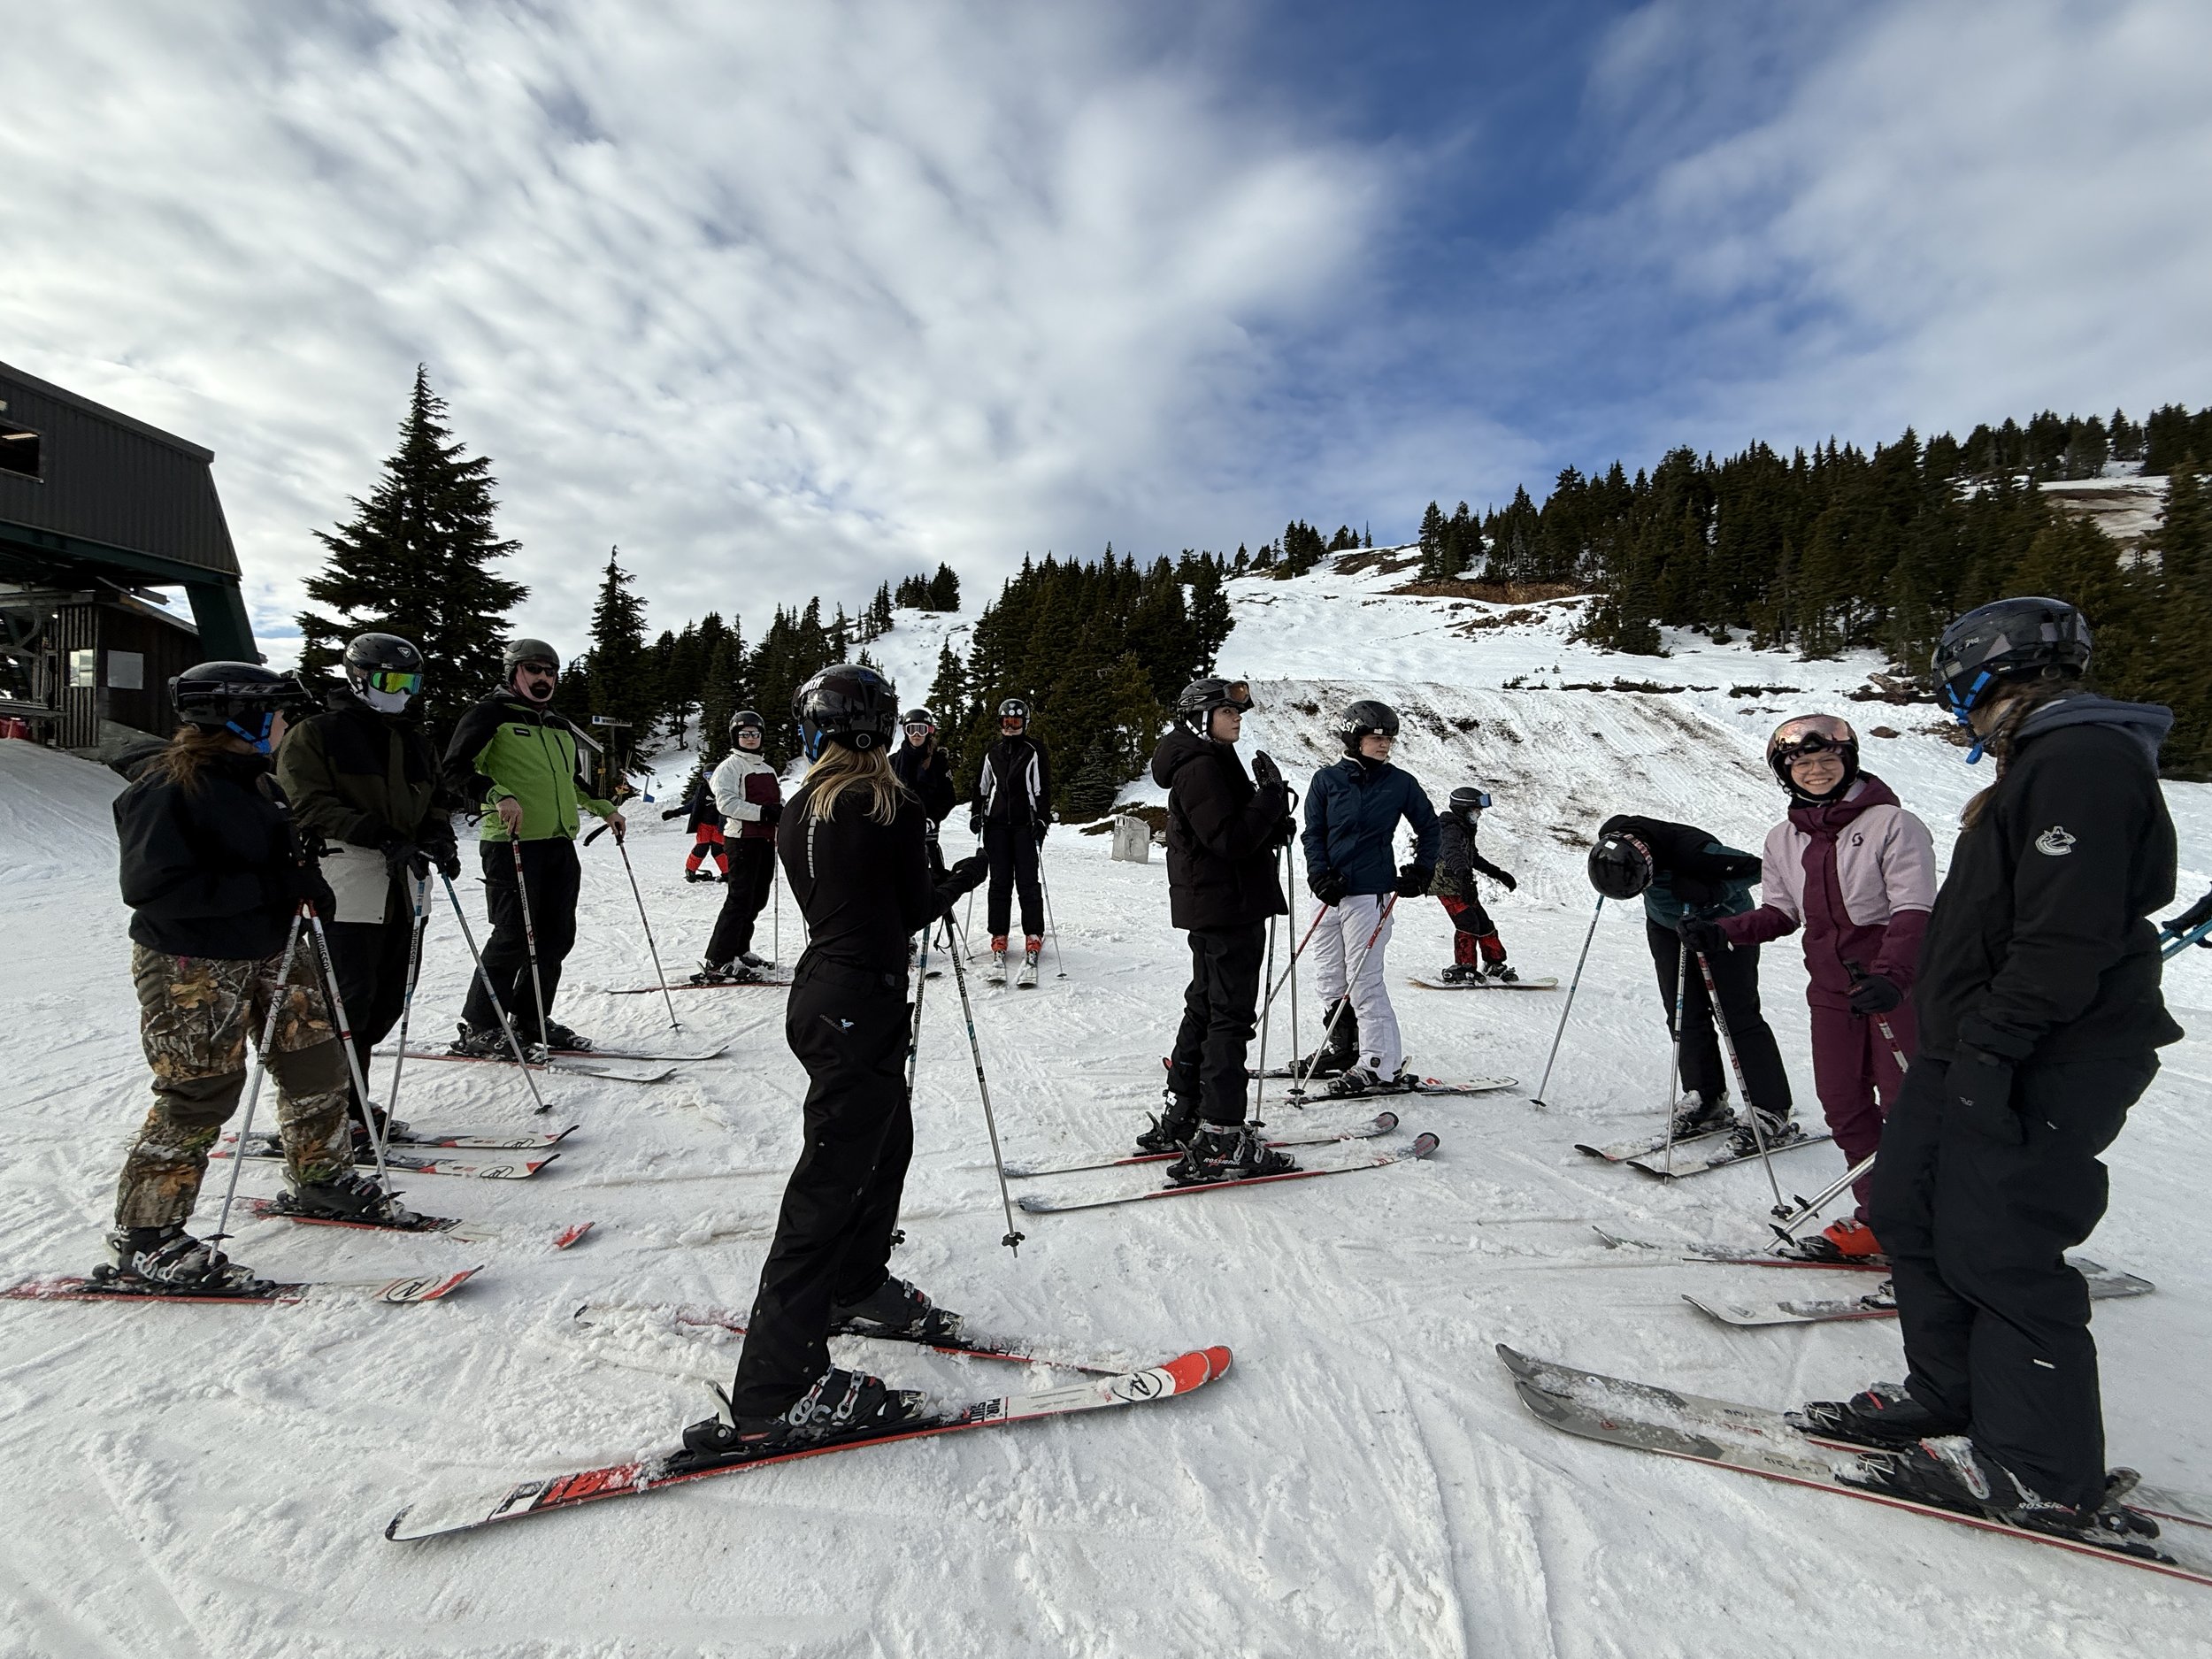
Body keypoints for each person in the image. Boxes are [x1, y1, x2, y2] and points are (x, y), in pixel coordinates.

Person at [1805, 596, 2181, 1539]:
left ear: (1982, 675)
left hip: (2045, 1050)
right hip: (1969, 1043)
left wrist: (1995, 1048)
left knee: (2001, 1241)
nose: (1952, 704)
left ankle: (2039, 1468)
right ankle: (1952, 1395)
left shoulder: (2081, 759)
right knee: (1908, 1206)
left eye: (1953, 685)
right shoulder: (2042, 759)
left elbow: (2064, 935)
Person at [681, 664, 987, 1456]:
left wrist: (936, 875)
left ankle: (855, 1284)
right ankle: (775, 1389)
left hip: (834, 995)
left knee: (886, 1145)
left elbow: (867, 901)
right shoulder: (885, 805)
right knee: (830, 1182)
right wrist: (957, 878)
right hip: (856, 1000)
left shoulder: (806, 805)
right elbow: (908, 907)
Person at [102, 663, 412, 1290]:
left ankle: (320, 1176)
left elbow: (276, 860)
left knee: (316, 1062)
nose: (287, 722)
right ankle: (147, 1236)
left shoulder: (257, 781)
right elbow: (154, 889)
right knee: (199, 1090)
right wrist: (274, 884)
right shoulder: (169, 787)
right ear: (239, 716)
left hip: (274, 948)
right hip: (193, 963)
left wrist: (305, 882)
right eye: (278, 711)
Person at [1703, 715, 1934, 1259]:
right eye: (1802, 764)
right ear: (1786, 773)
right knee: (1843, 1105)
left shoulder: (1894, 824)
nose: (1815, 770)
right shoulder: (1784, 838)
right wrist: (1722, 930)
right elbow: (1781, 914)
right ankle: (1881, 1218)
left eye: (1827, 759)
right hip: (1831, 992)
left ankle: (1932, 1222)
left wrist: (1892, 976)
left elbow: (1914, 908)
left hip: (1893, 988)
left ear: (1848, 762)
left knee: (1909, 1109)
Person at [274, 633, 461, 1148]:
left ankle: (349, 1099)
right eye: (389, 680)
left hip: (404, 882)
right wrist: (379, 834)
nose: (400, 692)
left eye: (410, 683)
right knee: (346, 1000)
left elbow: (436, 798)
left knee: (387, 1000)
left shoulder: (414, 739)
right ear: (358, 678)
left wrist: (437, 835)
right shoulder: (318, 733)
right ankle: (327, 1112)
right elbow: (306, 802)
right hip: (347, 879)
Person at [1142, 677, 1296, 1176]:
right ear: (1199, 718)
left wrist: (1273, 819)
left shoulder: (1208, 759)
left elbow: (1235, 828)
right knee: (1228, 1015)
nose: (1236, 719)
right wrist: (1270, 799)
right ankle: (1222, 1135)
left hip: (1220, 902)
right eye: (1227, 712)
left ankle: (1185, 1112)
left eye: (1237, 712)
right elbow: (1228, 840)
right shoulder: (1202, 767)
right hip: (1228, 906)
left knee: (1207, 1006)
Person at [441, 639, 626, 1055]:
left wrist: (605, 809)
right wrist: (497, 794)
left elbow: (570, 780)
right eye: (533, 670)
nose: (543, 678)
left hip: (558, 843)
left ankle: (531, 1020)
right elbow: (454, 769)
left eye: (550, 671)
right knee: (512, 937)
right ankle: (480, 1027)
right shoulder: (489, 715)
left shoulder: (558, 726)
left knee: (556, 937)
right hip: (511, 843)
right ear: (513, 673)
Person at [1594, 814, 1794, 1156]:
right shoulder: (1614, 842)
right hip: (1667, 927)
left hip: (1721, 926)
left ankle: (1770, 1109)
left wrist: (1715, 890)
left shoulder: (1697, 852)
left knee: (1737, 1015)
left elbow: (1759, 867)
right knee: (1682, 1011)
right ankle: (1706, 1096)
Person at [1299, 699, 1438, 1095]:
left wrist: (1421, 871)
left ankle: (1379, 1064)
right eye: (1376, 737)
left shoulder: (1400, 783)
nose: (1384, 744)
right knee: (1329, 977)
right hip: (1330, 894)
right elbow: (1313, 833)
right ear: (1354, 737)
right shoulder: (1326, 780)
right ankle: (1345, 1048)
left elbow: (1430, 828)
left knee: (1364, 981)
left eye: (1389, 739)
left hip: (1369, 894)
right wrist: (1318, 875)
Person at [970, 695, 1052, 987]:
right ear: (1000, 723)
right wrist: (976, 813)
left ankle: (1033, 933)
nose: (1011, 727)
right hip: (996, 826)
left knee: (1028, 882)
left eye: (1016, 722)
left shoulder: (1034, 750)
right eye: (1007, 721)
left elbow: (1042, 789)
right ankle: (999, 934)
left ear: (1024, 724)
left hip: (1024, 826)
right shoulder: (992, 752)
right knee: (999, 883)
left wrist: (1042, 820)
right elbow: (982, 787)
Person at [695, 710, 783, 982]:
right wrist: (763, 813)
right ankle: (718, 958)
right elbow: (727, 804)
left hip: (765, 840)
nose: (750, 738)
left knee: (757, 899)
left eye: (755, 733)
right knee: (739, 899)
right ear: (735, 737)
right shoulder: (729, 767)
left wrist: (779, 814)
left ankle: (740, 950)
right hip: (741, 839)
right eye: (744, 734)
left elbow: (775, 802)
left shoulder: (767, 769)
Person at [1433, 784, 1520, 983]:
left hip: (1462, 881)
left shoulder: (1464, 828)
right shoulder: (1450, 829)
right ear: (1463, 809)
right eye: (1475, 810)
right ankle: (1463, 967)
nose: (1479, 814)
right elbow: (1453, 854)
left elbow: (1473, 857)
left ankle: (1494, 963)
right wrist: (1465, 878)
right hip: (1446, 883)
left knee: (1483, 922)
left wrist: (1498, 874)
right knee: (1467, 922)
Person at [890, 706, 957, 878]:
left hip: (928, 830)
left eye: (921, 729)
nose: (916, 734)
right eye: (911, 729)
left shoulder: (938, 763)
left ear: (929, 731)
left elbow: (948, 797)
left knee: (933, 876)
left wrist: (933, 819)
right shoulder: (893, 762)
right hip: (899, 829)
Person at [663, 768, 729, 882]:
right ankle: (690, 871)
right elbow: (693, 804)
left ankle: (727, 873)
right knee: (702, 847)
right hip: (704, 825)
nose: (709, 778)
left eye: (711, 774)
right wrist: (676, 812)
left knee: (718, 849)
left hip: (719, 825)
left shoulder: (726, 788)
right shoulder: (703, 789)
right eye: (706, 775)